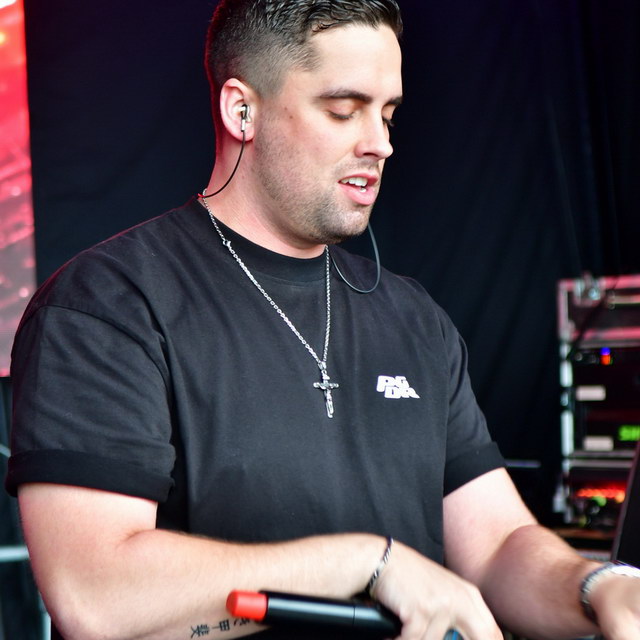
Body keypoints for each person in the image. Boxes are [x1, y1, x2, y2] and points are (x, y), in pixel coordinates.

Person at [5, 1, 640, 639]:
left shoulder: (415, 319)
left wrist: (598, 587)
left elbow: (498, 547)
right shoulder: (106, 304)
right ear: (241, 111)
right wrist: (365, 564)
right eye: (344, 110)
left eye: (387, 114)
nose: (381, 143)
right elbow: (96, 595)